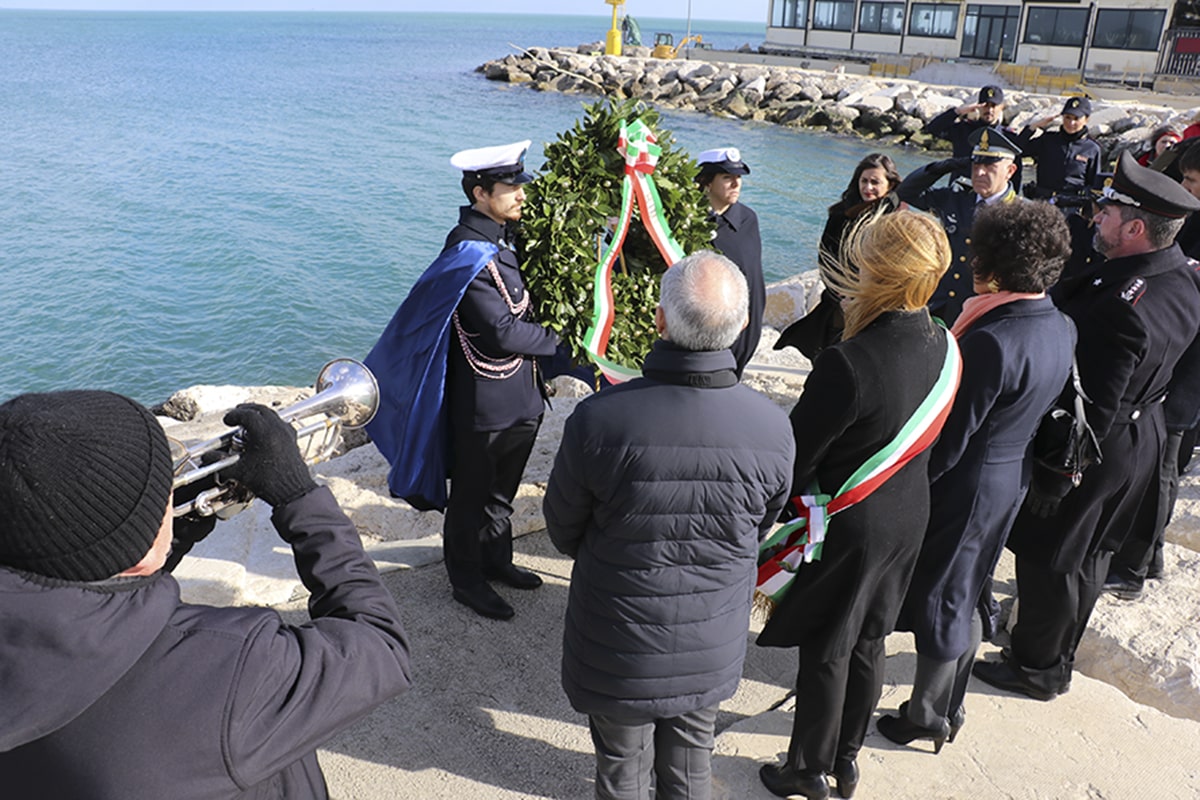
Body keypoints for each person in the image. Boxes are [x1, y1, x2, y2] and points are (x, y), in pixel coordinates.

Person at [0, 391, 413, 798]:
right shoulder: (232, 669)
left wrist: (169, 541)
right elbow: (379, 645)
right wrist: (299, 498)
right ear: (138, 552)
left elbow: (83, 601)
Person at [544, 251, 794, 800]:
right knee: (688, 770)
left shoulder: (599, 418)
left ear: (660, 320)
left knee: (620, 769)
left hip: (617, 639)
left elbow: (563, 529)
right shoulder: (774, 428)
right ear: (742, 326)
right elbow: (761, 526)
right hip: (711, 638)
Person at [975, 152, 1200, 702]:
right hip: (1141, 439)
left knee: (1051, 555)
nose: (1097, 218)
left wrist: (1058, 472)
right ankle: (1056, 655)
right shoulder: (1178, 277)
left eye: (1108, 212)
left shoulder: (1124, 305)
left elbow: (1093, 404)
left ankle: (1036, 666)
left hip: (1099, 443)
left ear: (1136, 228)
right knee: (1091, 555)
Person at [757, 210, 959, 800]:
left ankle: (807, 770)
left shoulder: (848, 362)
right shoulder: (945, 342)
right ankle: (845, 762)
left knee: (828, 646)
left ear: (876, 269)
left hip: (851, 518)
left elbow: (797, 457)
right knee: (871, 640)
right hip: (908, 511)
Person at [879, 201, 1074, 751]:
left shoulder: (990, 339)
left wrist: (912, 488)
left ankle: (928, 714)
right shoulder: (1058, 323)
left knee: (945, 596)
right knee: (968, 587)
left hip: (969, 482)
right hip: (1008, 477)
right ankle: (948, 704)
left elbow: (952, 435)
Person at [365, 139, 560, 621]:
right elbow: (500, 330)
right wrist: (562, 340)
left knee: (501, 495)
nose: (521, 195)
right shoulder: (466, 253)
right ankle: (466, 581)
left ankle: (498, 562)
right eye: (510, 187)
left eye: (520, 185)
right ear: (479, 192)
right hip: (484, 403)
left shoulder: (501, 239)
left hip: (520, 397)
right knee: (471, 498)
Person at [776, 152, 906, 357]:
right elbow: (826, 257)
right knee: (832, 354)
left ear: (890, 185)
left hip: (875, 304)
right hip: (838, 301)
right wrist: (841, 294)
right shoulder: (841, 214)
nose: (868, 187)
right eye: (864, 181)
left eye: (875, 182)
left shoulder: (896, 221)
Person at [897, 126, 1023, 325]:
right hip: (938, 305)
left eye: (990, 166)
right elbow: (907, 192)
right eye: (975, 165)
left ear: (1010, 171)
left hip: (980, 314)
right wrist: (945, 166)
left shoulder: (1020, 214)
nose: (980, 172)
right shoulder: (956, 198)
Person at [697, 147, 765, 378]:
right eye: (727, 177)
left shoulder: (748, 219)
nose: (736, 184)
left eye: (738, 178)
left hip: (746, 322)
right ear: (707, 182)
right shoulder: (690, 221)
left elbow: (753, 275)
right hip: (708, 323)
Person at [923, 84, 1018, 187]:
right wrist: (958, 111)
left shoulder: (1008, 137)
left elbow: (1015, 171)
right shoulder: (963, 129)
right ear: (978, 106)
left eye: (993, 106)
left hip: (989, 195)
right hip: (959, 192)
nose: (989, 110)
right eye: (985, 105)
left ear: (1001, 107)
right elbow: (933, 128)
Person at [1017, 96, 1102, 207]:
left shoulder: (1092, 149)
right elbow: (1017, 150)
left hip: (1072, 206)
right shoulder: (1048, 140)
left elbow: (1094, 185)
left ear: (1086, 119)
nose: (1071, 123)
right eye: (1067, 117)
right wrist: (1033, 127)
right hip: (1042, 203)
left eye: (1076, 118)